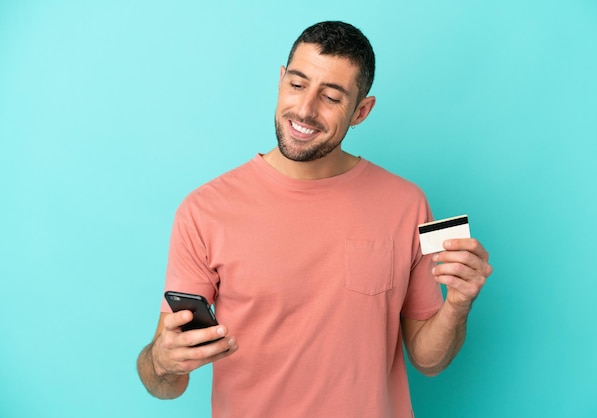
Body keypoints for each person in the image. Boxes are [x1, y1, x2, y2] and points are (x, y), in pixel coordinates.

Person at [137, 21, 492, 417]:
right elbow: (164, 386)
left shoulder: (407, 204)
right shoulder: (204, 211)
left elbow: (429, 361)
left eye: (331, 97)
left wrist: (458, 306)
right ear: (280, 80)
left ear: (361, 111)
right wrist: (162, 361)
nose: (304, 110)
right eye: (297, 84)